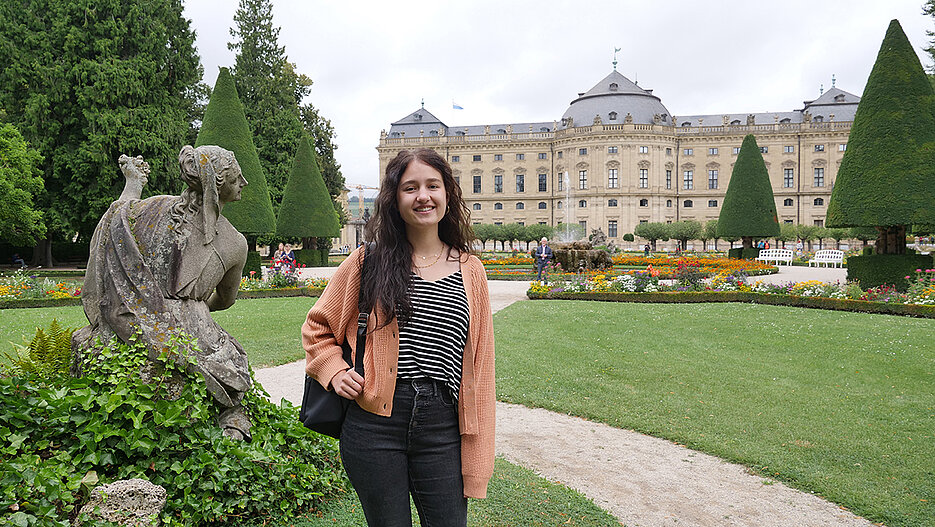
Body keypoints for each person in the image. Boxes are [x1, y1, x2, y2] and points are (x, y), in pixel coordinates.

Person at [302, 148, 495, 527]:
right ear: (395, 199)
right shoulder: (367, 261)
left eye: (432, 186)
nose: (423, 196)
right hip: (374, 425)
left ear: (448, 194)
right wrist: (335, 371)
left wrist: (478, 457)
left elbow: (481, 368)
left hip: (442, 426)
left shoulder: (471, 270)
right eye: (410, 187)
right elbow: (317, 327)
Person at [73, 146, 253, 439]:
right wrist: (194, 305)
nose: (244, 182)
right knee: (233, 363)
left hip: (132, 313)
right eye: (236, 179)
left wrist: (132, 188)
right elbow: (225, 300)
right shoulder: (235, 242)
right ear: (214, 188)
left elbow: (116, 222)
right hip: (196, 328)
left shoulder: (153, 209)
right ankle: (231, 421)